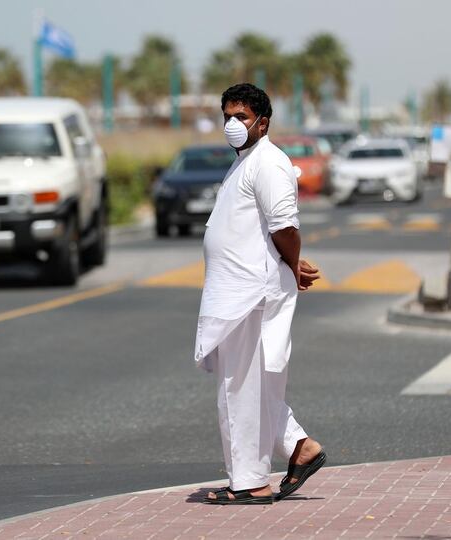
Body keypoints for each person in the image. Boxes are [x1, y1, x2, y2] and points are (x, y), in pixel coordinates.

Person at [197, 83, 326, 505]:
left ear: (262, 122)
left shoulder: (268, 162)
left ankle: (251, 481)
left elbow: (284, 226)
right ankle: (300, 448)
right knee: (255, 387)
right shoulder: (246, 162)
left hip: (251, 294)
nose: (232, 125)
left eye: (241, 117)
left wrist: (291, 264)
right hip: (238, 291)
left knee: (240, 388)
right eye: (227, 117)